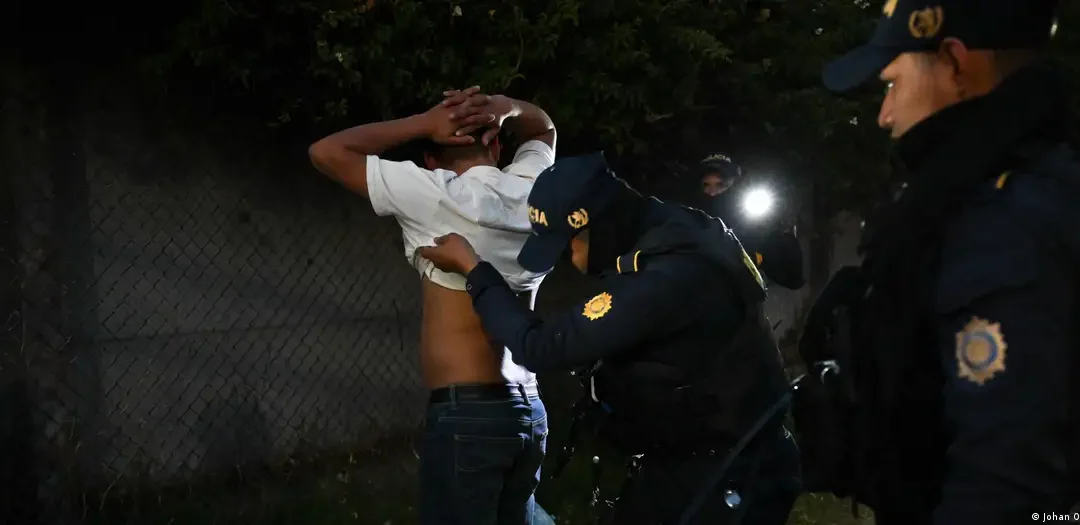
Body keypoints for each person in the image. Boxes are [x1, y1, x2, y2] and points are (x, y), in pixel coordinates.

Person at [795, 0, 1079, 523]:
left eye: (893, 84)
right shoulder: (982, 199)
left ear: (954, 63)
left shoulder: (1004, 224)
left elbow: (1004, 487)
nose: (884, 115)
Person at [419, 153, 801, 524]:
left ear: (598, 225)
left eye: (570, 243)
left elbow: (541, 347)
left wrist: (475, 270)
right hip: (722, 454)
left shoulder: (663, 276)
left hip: (725, 471)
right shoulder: (677, 228)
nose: (569, 258)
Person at [307, 87, 557, 525]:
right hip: (530, 408)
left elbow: (325, 152)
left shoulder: (432, 192)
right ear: (497, 147)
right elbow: (544, 130)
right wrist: (507, 107)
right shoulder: (532, 189)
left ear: (429, 159)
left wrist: (423, 122)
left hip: (469, 413)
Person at [692, 153, 804, 290]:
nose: (713, 192)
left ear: (735, 182)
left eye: (721, 184)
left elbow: (792, 278)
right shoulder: (692, 215)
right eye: (706, 185)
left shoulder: (754, 219)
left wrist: (785, 234)